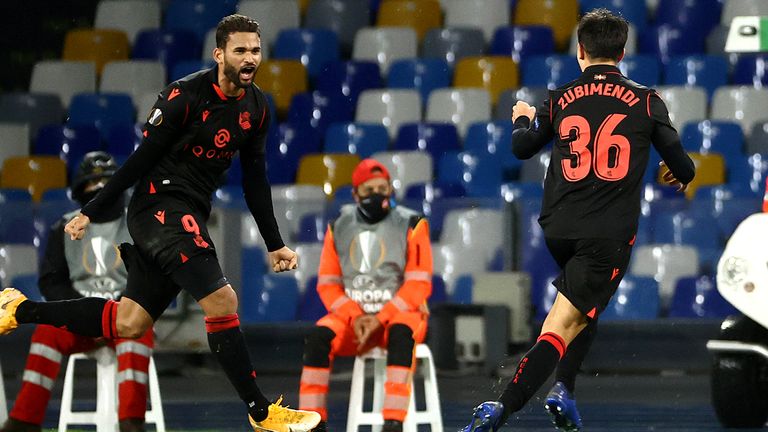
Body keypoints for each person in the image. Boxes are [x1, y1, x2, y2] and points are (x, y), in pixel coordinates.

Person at [0, 14, 320, 432]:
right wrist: (91, 210)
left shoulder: (256, 108)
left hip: (189, 213)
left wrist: (274, 242)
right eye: (240, 50)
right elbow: (140, 161)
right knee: (222, 302)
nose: (249, 58)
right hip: (159, 208)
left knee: (130, 322)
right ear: (219, 53)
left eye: (255, 50)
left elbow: (255, 179)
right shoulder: (183, 97)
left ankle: (18, 309)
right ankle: (261, 412)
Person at [460, 9, 696, 432]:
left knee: (586, 305)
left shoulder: (559, 97)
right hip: (606, 233)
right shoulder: (646, 99)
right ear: (622, 53)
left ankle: (564, 390)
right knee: (562, 323)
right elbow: (685, 166)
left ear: (580, 51)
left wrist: (520, 118)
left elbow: (522, 149)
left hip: (558, 227)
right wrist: (675, 170)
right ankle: (502, 407)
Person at [1, 152, 153, 432]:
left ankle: (131, 422)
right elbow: (51, 282)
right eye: (93, 184)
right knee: (46, 332)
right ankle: (25, 420)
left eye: (107, 183)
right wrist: (84, 315)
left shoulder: (139, 223)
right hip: (79, 320)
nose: (100, 190)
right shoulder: (63, 227)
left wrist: (118, 313)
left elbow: (150, 279)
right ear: (80, 188)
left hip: (126, 316)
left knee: (139, 330)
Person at [298, 159, 433, 432]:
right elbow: (328, 285)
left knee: (400, 333)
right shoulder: (338, 227)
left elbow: (419, 285)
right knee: (318, 337)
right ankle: (313, 423)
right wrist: (356, 315)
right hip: (354, 321)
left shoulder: (413, 224)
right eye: (369, 190)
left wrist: (380, 318)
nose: (377, 195)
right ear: (355, 194)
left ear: (391, 191)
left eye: (382, 188)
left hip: (400, 317)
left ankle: (392, 422)